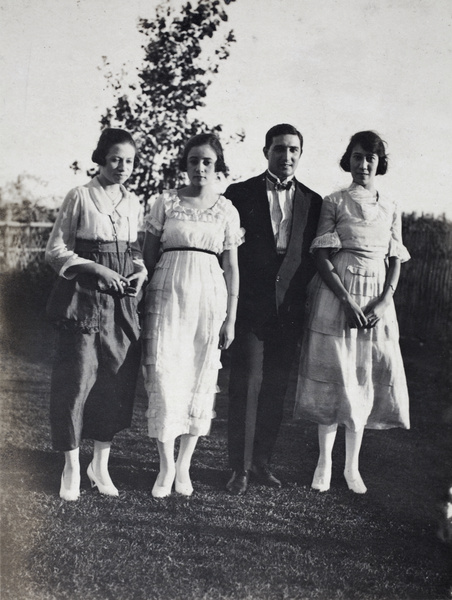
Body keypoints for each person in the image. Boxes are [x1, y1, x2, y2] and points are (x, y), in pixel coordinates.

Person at [294, 130, 410, 494]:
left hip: (377, 301)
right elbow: (320, 256)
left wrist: (383, 299)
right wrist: (346, 300)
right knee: (335, 373)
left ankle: (352, 468)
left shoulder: (391, 206)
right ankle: (324, 464)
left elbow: (395, 259)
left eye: (370, 158)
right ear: (349, 159)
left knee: (363, 377)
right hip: (338, 295)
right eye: (357, 157)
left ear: (379, 163)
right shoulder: (334, 201)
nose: (363, 164)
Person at [45, 128, 147, 501]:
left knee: (114, 383)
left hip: (120, 303)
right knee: (75, 382)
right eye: (116, 158)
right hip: (84, 298)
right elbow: (55, 249)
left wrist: (140, 271)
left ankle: (99, 465)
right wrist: (96, 269)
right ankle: (71, 466)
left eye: (130, 161)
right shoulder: (81, 196)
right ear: (102, 157)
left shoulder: (134, 203)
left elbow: (135, 250)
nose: (122, 167)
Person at [142, 133, 243, 498]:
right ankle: (165, 466)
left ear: (217, 167)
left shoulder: (226, 209)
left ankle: (184, 465)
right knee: (166, 374)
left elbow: (231, 268)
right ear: (184, 165)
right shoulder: (165, 202)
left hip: (209, 297)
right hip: (168, 293)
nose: (200, 168)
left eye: (207, 162)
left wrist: (230, 318)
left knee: (201, 375)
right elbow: (149, 255)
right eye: (193, 161)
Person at [224, 123, 322, 495]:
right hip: (249, 307)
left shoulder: (314, 201)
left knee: (276, 388)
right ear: (266, 152)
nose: (287, 156)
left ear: (300, 154)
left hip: (289, 311)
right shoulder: (239, 193)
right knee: (246, 385)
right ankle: (239, 469)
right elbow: (229, 250)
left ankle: (262, 463)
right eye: (279, 149)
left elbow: (313, 255)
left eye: (294, 150)